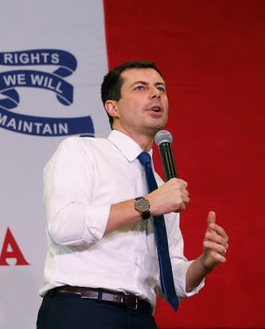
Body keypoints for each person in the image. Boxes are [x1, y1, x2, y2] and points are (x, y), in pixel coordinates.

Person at [36, 61, 229, 328]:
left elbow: (169, 281)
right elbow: (64, 226)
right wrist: (149, 203)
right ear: (112, 107)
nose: (156, 94)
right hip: (82, 310)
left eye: (160, 88)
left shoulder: (162, 185)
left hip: (141, 317)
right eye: (141, 88)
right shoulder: (81, 151)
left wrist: (205, 262)